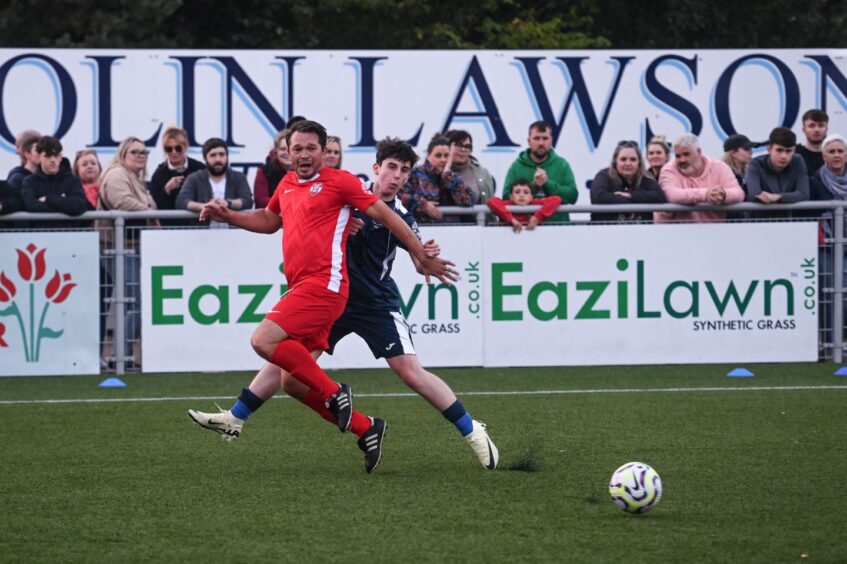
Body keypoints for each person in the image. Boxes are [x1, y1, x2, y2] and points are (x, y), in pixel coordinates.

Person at [187, 120, 459, 473]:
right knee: (290, 379)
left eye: (310, 148)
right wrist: (229, 215)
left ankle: (332, 393)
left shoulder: (340, 182)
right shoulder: (286, 184)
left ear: (323, 151)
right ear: (286, 152)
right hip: (303, 287)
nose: (302, 155)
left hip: (327, 287)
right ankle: (365, 427)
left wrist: (420, 252)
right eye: (296, 149)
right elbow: (270, 220)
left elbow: (388, 215)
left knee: (264, 339)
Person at [96, 137, 157, 365]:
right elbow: (123, 203)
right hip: (116, 248)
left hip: (130, 247)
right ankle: (120, 356)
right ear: (123, 154)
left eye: (144, 152)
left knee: (134, 301)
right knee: (136, 301)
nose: (141, 155)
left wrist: (149, 210)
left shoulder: (134, 177)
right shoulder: (116, 174)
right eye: (135, 152)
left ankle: (122, 355)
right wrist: (150, 211)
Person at [654, 133, 745, 223]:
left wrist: (723, 194)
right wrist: (706, 194)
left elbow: (739, 194)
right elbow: (672, 195)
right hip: (677, 232)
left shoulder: (719, 167)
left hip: (714, 231)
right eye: (678, 156)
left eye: (686, 154)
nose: (682, 160)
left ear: (699, 152)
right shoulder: (669, 169)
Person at [810, 134, 847, 347]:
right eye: (831, 151)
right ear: (824, 155)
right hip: (827, 246)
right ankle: (830, 344)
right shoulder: (816, 181)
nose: (836, 155)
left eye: (840, 151)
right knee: (831, 294)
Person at [503, 120, 577, 223]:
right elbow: (506, 197)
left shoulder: (562, 164)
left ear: (551, 140)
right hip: (526, 230)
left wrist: (548, 183)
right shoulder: (516, 166)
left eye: (545, 138)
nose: (541, 143)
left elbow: (573, 196)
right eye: (536, 138)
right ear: (529, 141)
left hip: (557, 230)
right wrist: (532, 186)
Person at [176, 137, 253, 226]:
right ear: (205, 158)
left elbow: (247, 201)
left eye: (221, 154)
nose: (218, 159)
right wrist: (205, 206)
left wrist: (228, 203)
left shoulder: (238, 177)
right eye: (213, 155)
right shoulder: (195, 178)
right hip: (202, 235)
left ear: (227, 156)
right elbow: (181, 201)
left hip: (234, 234)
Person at [400, 133, 474, 224]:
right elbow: (400, 198)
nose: (443, 160)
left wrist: (448, 177)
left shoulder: (452, 177)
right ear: (428, 155)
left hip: (453, 232)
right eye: (438, 155)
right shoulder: (415, 174)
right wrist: (422, 205)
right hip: (422, 231)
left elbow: (468, 201)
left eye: (446, 156)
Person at [20, 136, 90, 228]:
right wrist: (64, 205)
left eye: (56, 155)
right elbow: (30, 206)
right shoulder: (29, 181)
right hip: (38, 237)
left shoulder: (73, 180)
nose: (53, 160)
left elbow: (79, 206)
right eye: (48, 156)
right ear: (39, 157)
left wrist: (48, 199)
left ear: (60, 157)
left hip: (68, 237)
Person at [590, 140, 665, 223]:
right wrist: (627, 203)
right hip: (606, 232)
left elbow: (659, 197)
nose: (628, 163)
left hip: (642, 233)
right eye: (623, 159)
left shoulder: (645, 177)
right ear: (615, 162)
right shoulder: (604, 176)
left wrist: (630, 195)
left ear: (639, 163)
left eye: (633, 159)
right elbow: (598, 197)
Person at [745, 127, 809, 217]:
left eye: (788, 151)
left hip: (788, 223)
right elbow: (755, 195)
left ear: (794, 150)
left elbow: (804, 194)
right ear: (769, 149)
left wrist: (778, 197)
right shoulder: (755, 164)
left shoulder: (798, 161)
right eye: (779, 150)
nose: (784, 156)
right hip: (757, 223)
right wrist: (785, 197)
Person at [148, 126, 205, 225]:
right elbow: (155, 207)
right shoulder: (159, 174)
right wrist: (166, 190)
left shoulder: (199, 168)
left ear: (185, 147)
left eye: (178, 148)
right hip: (171, 229)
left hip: (197, 227)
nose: (174, 152)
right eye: (169, 149)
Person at [488, 179, 561, 233]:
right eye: (517, 192)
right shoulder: (507, 205)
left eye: (526, 192)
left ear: (531, 197)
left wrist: (537, 218)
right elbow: (491, 201)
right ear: (511, 197)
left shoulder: (534, 204)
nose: (521, 195)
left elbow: (556, 199)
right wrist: (511, 219)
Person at [444, 129, 494, 204]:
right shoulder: (438, 170)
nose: (463, 149)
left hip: (479, 215)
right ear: (448, 147)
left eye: (467, 146)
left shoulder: (482, 172)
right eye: (459, 145)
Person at [253, 130, 291, 209]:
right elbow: (261, 201)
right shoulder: (264, 171)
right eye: (283, 149)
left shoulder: (306, 171)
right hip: (271, 219)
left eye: (291, 149)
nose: (287, 153)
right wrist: (291, 202)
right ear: (276, 151)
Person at [797, 109, 828, 176]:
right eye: (812, 126)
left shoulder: (833, 155)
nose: (816, 130)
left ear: (826, 129)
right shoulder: (795, 155)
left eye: (821, 125)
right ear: (804, 130)